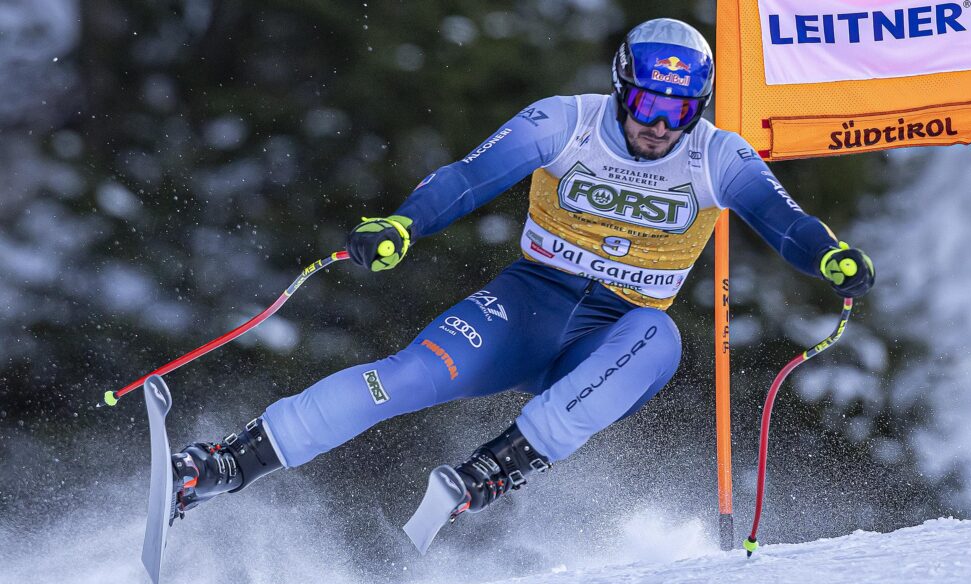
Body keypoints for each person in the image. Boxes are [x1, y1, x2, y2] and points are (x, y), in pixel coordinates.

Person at [167, 19, 874, 545]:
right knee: (407, 377)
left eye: (680, 110)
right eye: (649, 105)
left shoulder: (718, 155)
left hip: (613, 335)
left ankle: (498, 466)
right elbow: (469, 178)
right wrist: (404, 226)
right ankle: (225, 464)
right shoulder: (565, 121)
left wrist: (830, 256)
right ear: (622, 91)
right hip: (528, 303)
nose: (661, 126)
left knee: (662, 336)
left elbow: (785, 222)